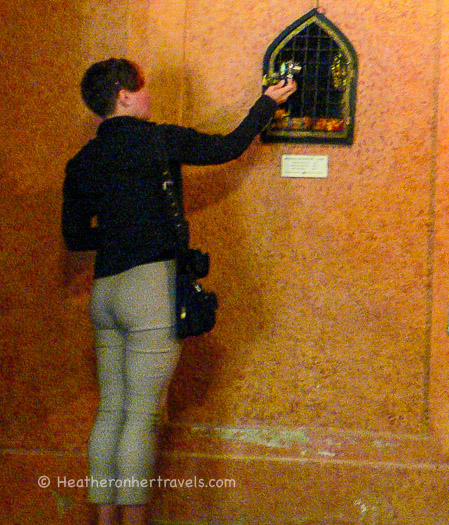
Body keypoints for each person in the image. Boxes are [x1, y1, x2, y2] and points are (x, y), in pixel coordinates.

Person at [62, 59, 295, 525]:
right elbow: (227, 147)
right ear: (124, 96)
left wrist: (115, 237)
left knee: (111, 408)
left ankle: (104, 520)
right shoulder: (157, 139)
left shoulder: (83, 161)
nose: (148, 96)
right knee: (143, 414)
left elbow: (74, 235)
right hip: (149, 287)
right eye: (142, 88)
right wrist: (267, 104)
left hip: (105, 290)